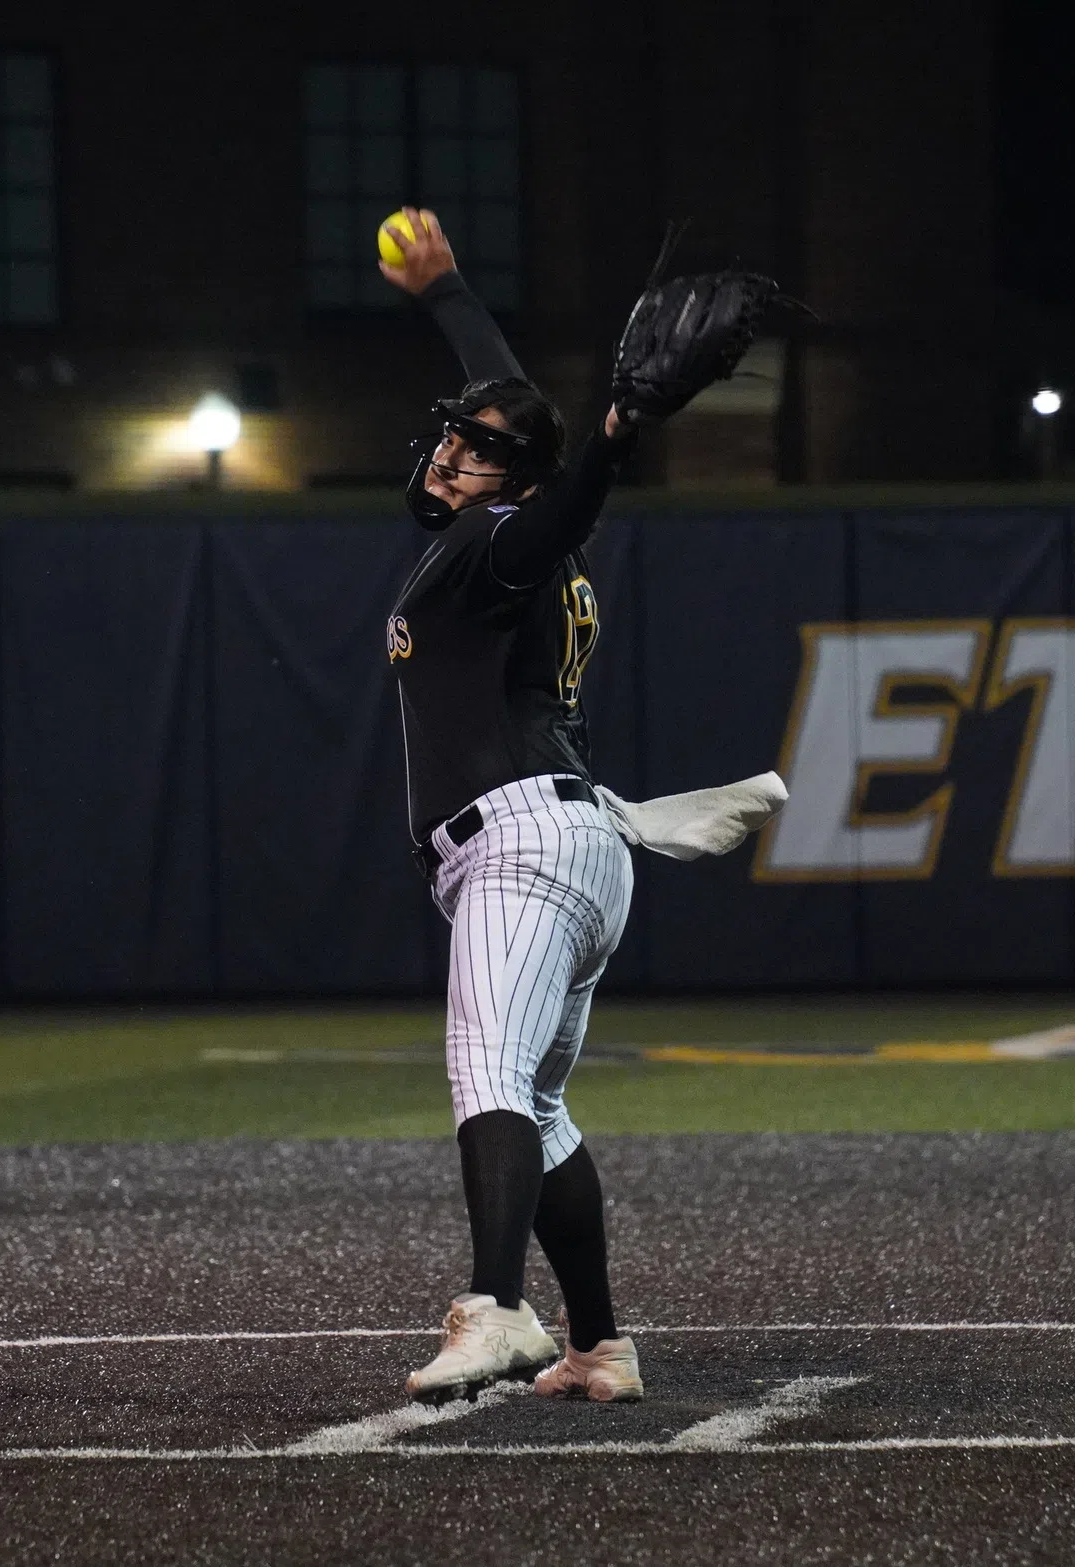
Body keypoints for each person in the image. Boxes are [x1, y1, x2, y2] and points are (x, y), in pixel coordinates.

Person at [378, 208, 646, 1405]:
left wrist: (611, 436)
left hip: (520, 842)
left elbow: (557, 488)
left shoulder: (502, 537)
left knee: (485, 1065)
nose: (448, 452)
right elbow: (518, 415)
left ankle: (494, 1310)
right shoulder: (503, 518)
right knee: (533, 1104)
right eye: (450, 435)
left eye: (472, 447)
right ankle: (597, 1343)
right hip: (578, 840)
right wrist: (444, 294)